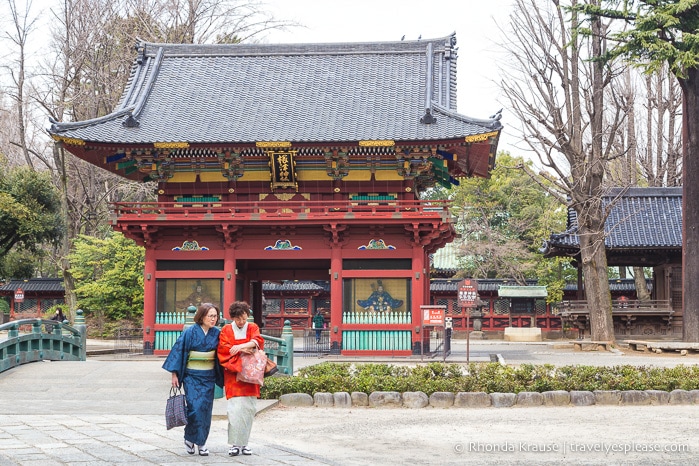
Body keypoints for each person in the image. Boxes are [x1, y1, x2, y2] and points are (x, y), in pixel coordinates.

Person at [162, 303, 223, 457]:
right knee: (194, 408)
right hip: (192, 377)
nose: (213, 319)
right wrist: (174, 374)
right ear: (201, 316)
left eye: (215, 316)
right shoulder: (190, 332)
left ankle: (201, 443)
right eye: (210, 316)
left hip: (208, 377)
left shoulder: (217, 333)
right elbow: (179, 351)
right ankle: (190, 439)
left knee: (205, 410)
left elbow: (223, 352)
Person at [217, 301, 264, 457]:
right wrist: (247, 348)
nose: (242, 322)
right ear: (233, 318)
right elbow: (224, 350)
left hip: (251, 375)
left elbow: (257, 342)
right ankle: (235, 444)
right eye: (238, 319)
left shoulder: (252, 327)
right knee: (235, 410)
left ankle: (245, 444)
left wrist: (240, 346)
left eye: (244, 318)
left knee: (249, 409)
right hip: (234, 376)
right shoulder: (226, 330)